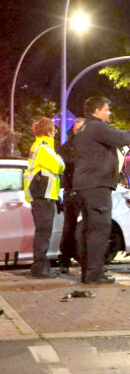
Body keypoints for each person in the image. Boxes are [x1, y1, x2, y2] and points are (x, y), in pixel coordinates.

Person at [70, 97, 130, 284]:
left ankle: (90, 271)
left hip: (86, 184)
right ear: (97, 111)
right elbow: (120, 137)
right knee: (99, 230)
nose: (109, 113)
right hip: (96, 185)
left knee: (91, 230)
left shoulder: (84, 128)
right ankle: (94, 274)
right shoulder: (96, 127)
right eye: (106, 109)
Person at [24, 117, 65, 278]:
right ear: (48, 131)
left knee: (43, 232)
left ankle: (41, 266)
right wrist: (61, 162)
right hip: (43, 195)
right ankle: (40, 268)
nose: (55, 132)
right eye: (54, 129)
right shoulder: (44, 147)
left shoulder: (39, 146)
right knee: (43, 232)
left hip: (42, 195)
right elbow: (57, 166)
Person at [58, 116, 85, 273]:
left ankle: (79, 257)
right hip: (73, 191)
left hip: (85, 190)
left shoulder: (88, 146)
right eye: (77, 129)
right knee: (70, 226)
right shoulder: (68, 147)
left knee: (85, 226)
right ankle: (65, 259)